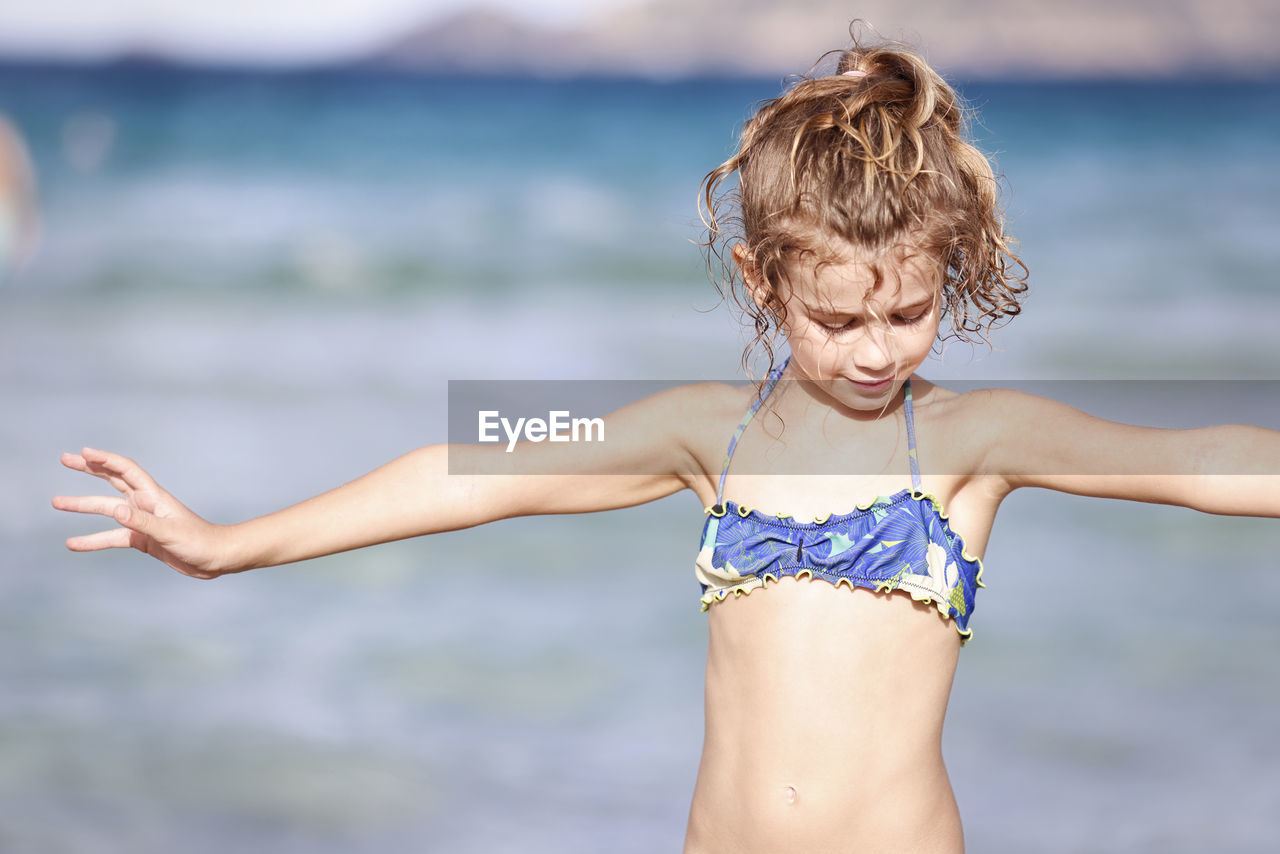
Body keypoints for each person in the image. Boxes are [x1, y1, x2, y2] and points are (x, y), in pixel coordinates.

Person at [52, 37, 1279, 854]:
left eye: (905, 312)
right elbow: (476, 462)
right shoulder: (708, 433)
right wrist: (228, 544)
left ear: (946, 275)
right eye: (835, 317)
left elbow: (1198, 458)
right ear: (760, 279)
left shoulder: (969, 439)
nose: (873, 349)